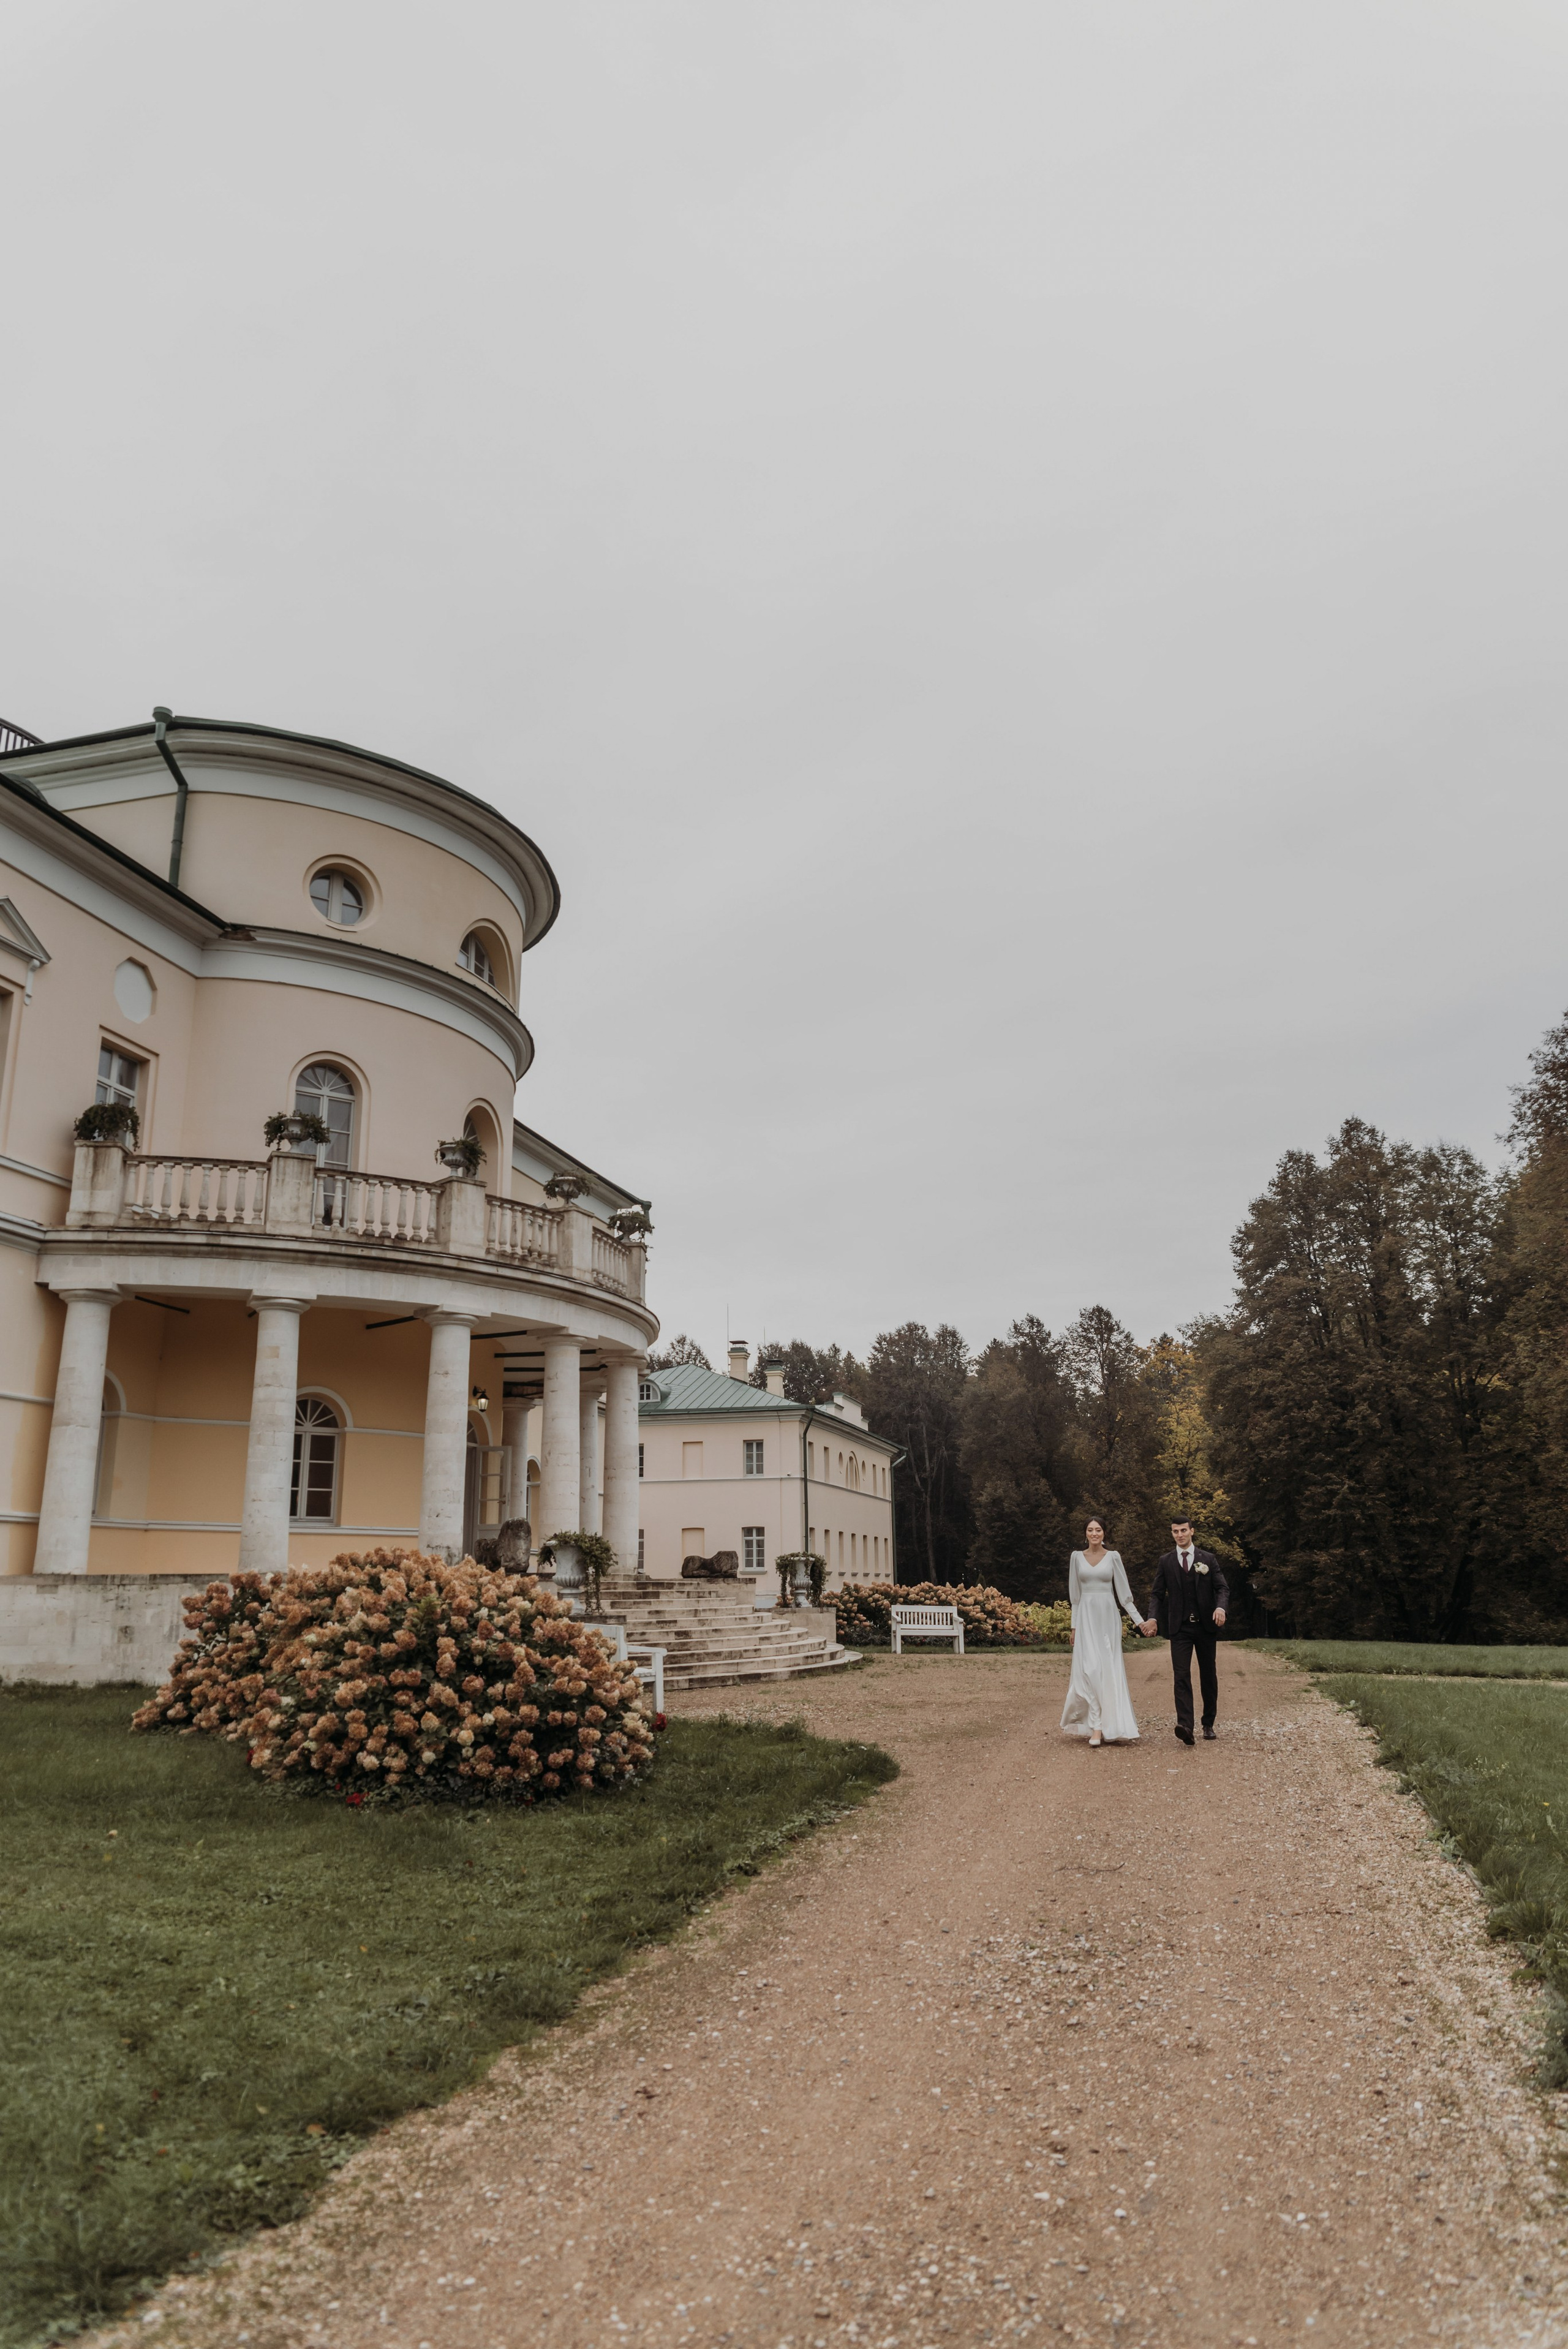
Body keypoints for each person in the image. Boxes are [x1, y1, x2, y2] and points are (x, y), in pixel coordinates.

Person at [1060, 1515, 1156, 1747]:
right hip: (1085, 1618)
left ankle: (1108, 1724)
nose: (1095, 1534)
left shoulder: (1113, 1558)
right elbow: (1075, 1597)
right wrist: (1074, 1627)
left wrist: (1140, 1622)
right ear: (1085, 1534)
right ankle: (1096, 1726)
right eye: (1091, 1530)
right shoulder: (1076, 1558)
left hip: (1107, 1619)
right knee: (1089, 1669)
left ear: (1104, 1533)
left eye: (1099, 1530)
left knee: (1107, 1670)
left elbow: (1124, 1596)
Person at [1148, 1516, 1229, 1746]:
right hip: (1180, 1627)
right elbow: (1157, 1593)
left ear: (1192, 1531)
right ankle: (1186, 1726)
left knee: (1208, 1675)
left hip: (1205, 1627)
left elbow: (1222, 1588)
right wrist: (1153, 1617)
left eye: (1184, 1530)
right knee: (1181, 1675)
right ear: (1172, 1533)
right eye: (1175, 1531)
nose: (1180, 1535)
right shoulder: (1166, 1561)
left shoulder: (1208, 1559)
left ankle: (1208, 1723)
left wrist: (1220, 1607)